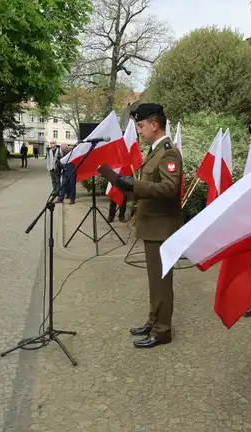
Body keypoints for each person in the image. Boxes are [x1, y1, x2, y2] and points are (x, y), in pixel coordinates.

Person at [109, 103, 183, 349]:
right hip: (153, 226)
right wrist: (130, 190)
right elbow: (152, 187)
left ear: (154, 124)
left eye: (141, 126)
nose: (140, 131)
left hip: (162, 228)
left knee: (161, 281)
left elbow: (170, 189)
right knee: (154, 279)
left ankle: (163, 331)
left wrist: (136, 186)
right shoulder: (155, 151)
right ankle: (154, 321)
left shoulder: (168, 152)